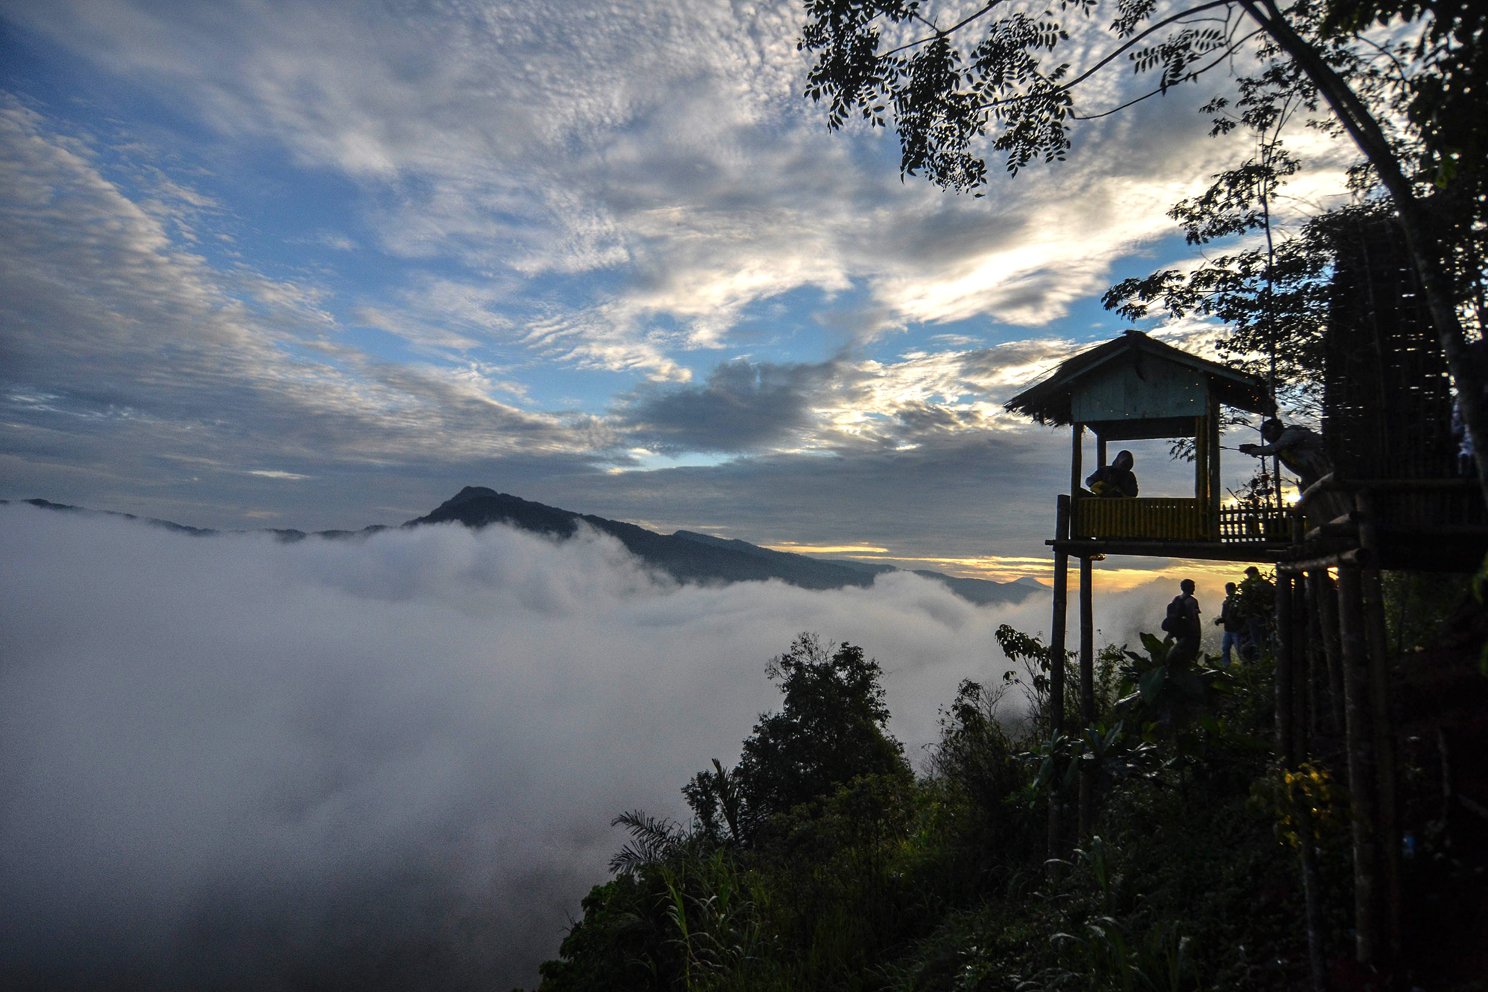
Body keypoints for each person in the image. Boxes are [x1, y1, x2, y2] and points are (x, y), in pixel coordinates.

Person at [1235, 566, 1275, 662]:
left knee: (1259, 641)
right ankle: (1261, 660)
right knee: (1259, 641)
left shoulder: (1259, 586)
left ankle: (1262, 661)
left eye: (1249, 575)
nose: (1248, 577)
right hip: (1258, 617)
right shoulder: (1264, 584)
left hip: (1260, 617)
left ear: (1254, 574)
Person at [1165, 578, 1202, 666]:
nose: (1194, 589)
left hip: (1179, 631)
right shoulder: (1192, 601)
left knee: (1180, 651)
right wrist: (1197, 632)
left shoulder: (1177, 599)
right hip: (1190, 632)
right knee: (1190, 654)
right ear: (1189, 588)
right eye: (1193, 587)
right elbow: (1194, 617)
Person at [1213, 581, 1243, 668]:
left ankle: (1245, 666)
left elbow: (1240, 615)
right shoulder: (1226, 602)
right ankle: (1226, 666)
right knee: (1225, 648)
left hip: (1236, 629)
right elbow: (1225, 616)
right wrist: (1220, 620)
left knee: (1239, 650)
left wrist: (1221, 620)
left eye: (1230, 589)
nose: (1228, 591)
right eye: (1227, 589)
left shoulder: (1238, 601)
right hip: (1229, 629)